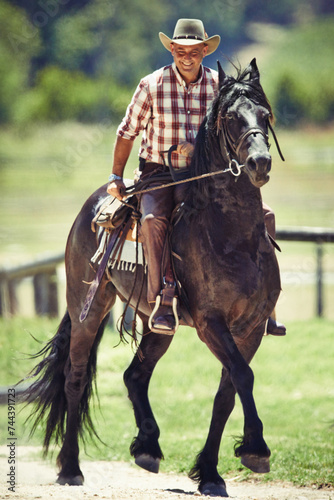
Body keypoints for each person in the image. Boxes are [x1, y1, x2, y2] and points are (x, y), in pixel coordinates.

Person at [107, 18, 286, 337]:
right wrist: (115, 176)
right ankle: (163, 299)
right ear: (172, 49)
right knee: (153, 220)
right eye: (180, 49)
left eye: (194, 49)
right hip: (159, 173)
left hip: (208, 174)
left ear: (205, 49)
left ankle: (266, 302)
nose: (186, 55)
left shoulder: (220, 86)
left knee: (266, 215)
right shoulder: (151, 85)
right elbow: (127, 132)